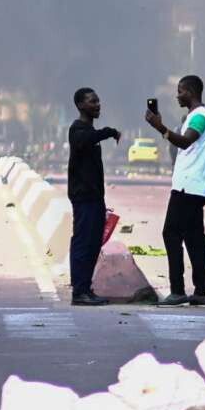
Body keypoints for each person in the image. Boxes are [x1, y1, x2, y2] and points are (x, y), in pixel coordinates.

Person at [144, 74, 205, 306]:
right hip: (193, 186)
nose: (177, 96)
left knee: (171, 233)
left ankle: (177, 290)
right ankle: (201, 292)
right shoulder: (196, 116)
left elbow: (185, 141)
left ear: (191, 92)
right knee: (194, 238)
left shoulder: (199, 117)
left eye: (180, 91)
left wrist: (160, 127)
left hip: (187, 187)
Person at [67, 87, 121, 305]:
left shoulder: (90, 131)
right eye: (92, 101)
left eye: (98, 101)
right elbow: (86, 140)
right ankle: (79, 291)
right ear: (80, 105)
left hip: (95, 197)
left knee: (92, 244)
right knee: (83, 243)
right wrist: (109, 131)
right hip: (83, 197)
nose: (97, 105)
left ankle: (85, 288)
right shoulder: (77, 130)